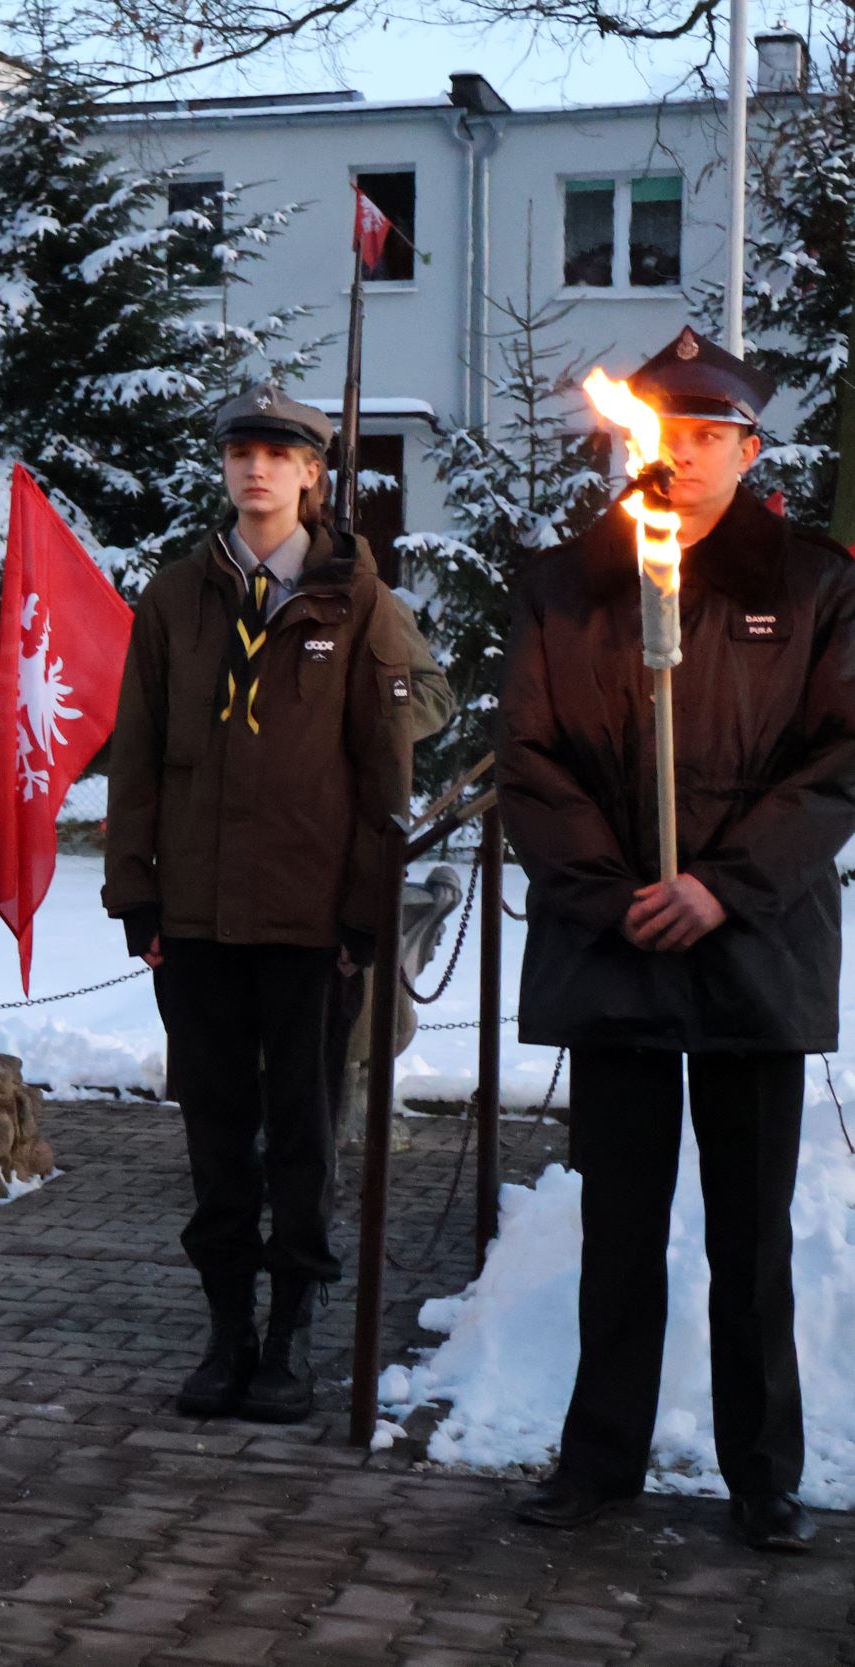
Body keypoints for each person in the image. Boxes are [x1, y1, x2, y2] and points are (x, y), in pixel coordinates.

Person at [499, 327, 853, 1553]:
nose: (689, 453)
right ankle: (600, 1457)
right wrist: (616, 893)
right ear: (631, 437)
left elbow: (836, 759)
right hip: (617, 948)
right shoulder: (565, 584)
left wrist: (719, 884)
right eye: (672, 431)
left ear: (749, 449)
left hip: (753, 942)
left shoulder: (811, 583)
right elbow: (531, 764)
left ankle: (764, 1471)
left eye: (715, 433)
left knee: (750, 1230)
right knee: (620, 1226)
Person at [103, 387, 449, 1424]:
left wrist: (363, 914)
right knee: (215, 1129)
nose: (256, 469)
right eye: (240, 452)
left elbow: (382, 766)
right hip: (199, 918)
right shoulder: (175, 597)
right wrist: (136, 893)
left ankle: (290, 1332)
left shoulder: (356, 597)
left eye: (279, 454)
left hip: (307, 923)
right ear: (223, 468)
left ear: (312, 473)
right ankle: (225, 1330)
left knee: (302, 1130)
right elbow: (137, 757)